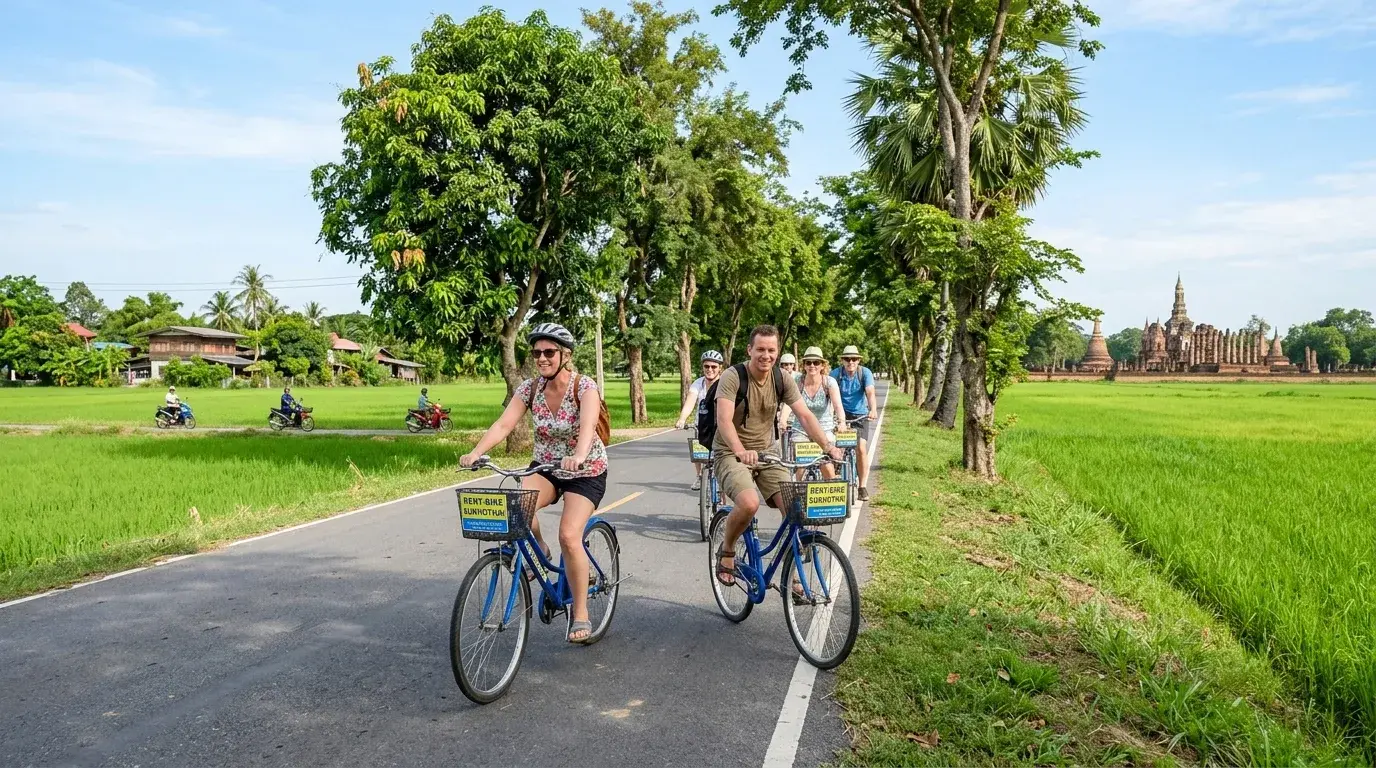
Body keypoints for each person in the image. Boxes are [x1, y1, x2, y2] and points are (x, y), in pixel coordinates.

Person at [460, 323, 608, 645]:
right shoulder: (530, 389)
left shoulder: (585, 387)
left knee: (569, 535)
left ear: (565, 355)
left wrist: (579, 455)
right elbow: (504, 424)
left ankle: (581, 613)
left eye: (549, 352)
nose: (542, 358)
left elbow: (587, 427)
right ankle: (539, 546)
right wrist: (476, 452)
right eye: (537, 352)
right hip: (546, 466)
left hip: (585, 470)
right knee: (516, 507)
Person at [713, 326, 842, 588]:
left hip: (768, 454)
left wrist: (828, 447)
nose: (766, 355)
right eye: (760, 349)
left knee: (796, 509)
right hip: (731, 452)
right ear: (749, 350)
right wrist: (739, 450)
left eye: (771, 350)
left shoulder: (782, 378)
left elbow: (804, 415)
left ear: (777, 351)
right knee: (749, 503)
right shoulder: (732, 377)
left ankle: (792, 576)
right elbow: (723, 420)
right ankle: (727, 550)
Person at [778, 346, 846, 480]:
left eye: (816, 362)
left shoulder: (829, 382)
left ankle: (830, 489)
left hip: (824, 428)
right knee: (801, 464)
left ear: (822, 365)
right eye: (808, 362)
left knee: (826, 465)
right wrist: (783, 420)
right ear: (804, 365)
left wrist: (842, 422)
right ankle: (798, 490)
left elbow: (838, 406)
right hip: (801, 429)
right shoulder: (797, 382)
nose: (812, 365)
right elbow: (789, 404)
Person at [831, 345, 878, 501]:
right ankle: (835, 476)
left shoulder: (864, 373)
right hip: (841, 416)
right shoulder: (836, 374)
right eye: (847, 359)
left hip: (860, 416)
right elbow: (828, 394)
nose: (850, 362)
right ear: (842, 360)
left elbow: (870, 392)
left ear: (858, 360)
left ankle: (862, 487)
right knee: (836, 448)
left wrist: (873, 409)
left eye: (854, 359)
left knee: (861, 449)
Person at [674, 350, 725, 491]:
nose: (710, 369)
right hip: (702, 424)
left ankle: (722, 481)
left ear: (720, 368)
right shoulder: (698, 383)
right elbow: (690, 401)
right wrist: (682, 419)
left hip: (721, 424)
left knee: (722, 454)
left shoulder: (724, 383)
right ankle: (699, 476)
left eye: (714, 367)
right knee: (697, 449)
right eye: (706, 366)